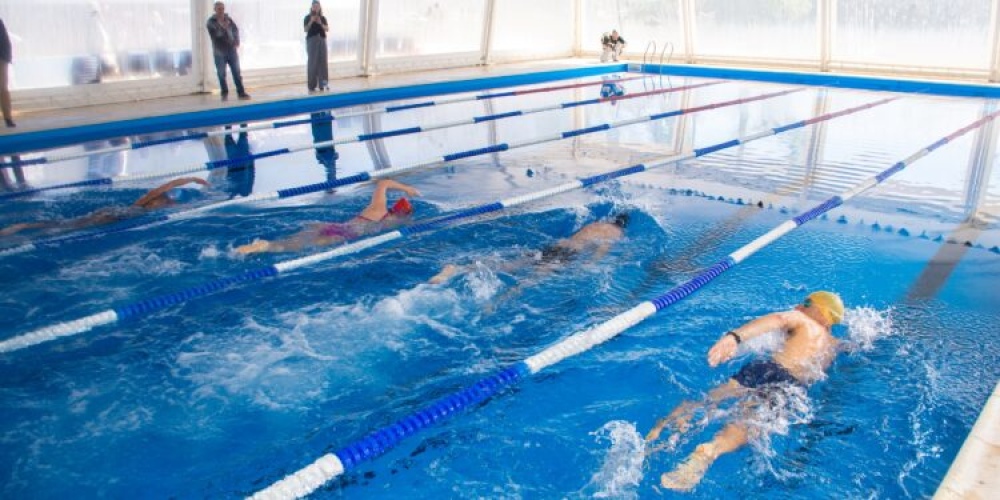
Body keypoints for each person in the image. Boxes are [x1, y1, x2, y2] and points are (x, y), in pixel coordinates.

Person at [645, 291, 846, 492]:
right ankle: (713, 450)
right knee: (750, 424)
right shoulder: (833, 346)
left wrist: (733, 337)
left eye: (807, 302)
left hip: (766, 368)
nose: (799, 306)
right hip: (791, 387)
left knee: (711, 398)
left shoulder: (803, 320)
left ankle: (660, 430)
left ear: (821, 312)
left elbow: (779, 319)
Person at [429, 212, 630, 285]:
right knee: (530, 281)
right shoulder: (615, 234)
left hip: (556, 246)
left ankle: (457, 269)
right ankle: (496, 303)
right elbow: (599, 253)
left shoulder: (595, 224)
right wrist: (589, 266)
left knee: (509, 265)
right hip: (569, 254)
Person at [236, 179, 420, 254]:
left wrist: (406, 189)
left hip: (330, 225)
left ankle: (259, 245)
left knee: (292, 240)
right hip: (341, 235)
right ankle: (263, 246)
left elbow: (383, 183)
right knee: (289, 247)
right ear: (403, 216)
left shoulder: (377, 208)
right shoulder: (390, 224)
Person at [0, 177, 209, 237]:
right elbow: (168, 185)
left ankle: (25, 227)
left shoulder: (158, 203)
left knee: (67, 225)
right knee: (67, 227)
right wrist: (192, 178)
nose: (165, 198)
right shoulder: (148, 201)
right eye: (164, 197)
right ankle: (24, 227)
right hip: (114, 216)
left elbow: (177, 203)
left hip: (114, 213)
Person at [206, 2, 250, 101]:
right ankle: (224, 93)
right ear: (215, 10)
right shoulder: (211, 22)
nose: (221, 11)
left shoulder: (228, 20)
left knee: (236, 72)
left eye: (222, 8)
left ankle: (241, 92)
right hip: (220, 52)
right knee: (221, 74)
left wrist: (237, 41)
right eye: (219, 9)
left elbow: (235, 30)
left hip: (231, 50)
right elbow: (216, 35)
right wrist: (224, 28)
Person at [304, 1, 330, 92]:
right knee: (312, 63)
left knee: (323, 62)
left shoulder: (323, 18)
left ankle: (323, 84)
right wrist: (311, 20)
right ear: (311, 8)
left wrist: (320, 23)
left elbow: (327, 29)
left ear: (319, 7)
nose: (315, 8)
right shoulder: (307, 17)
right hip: (312, 41)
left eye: (317, 6)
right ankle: (311, 86)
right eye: (314, 6)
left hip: (322, 40)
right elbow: (305, 29)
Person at [0, 17, 14, 127]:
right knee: (3, 88)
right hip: (4, 54)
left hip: (2, 55)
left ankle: (8, 119)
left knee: (2, 88)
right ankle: (8, 119)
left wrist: (6, 59)